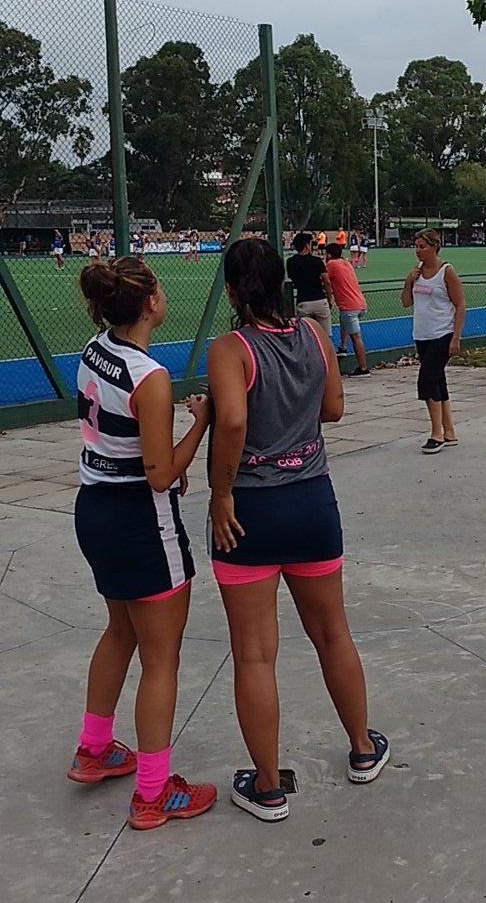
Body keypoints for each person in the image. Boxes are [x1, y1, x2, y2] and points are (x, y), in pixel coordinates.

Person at [206, 238, 388, 823]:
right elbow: (333, 408)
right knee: (333, 634)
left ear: (233, 290)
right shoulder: (311, 336)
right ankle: (362, 748)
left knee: (255, 655)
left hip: (249, 514)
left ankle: (267, 785)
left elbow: (232, 418)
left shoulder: (230, 348)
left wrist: (221, 491)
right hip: (312, 501)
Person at [70, 257, 216, 830]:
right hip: (141, 521)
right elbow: (159, 475)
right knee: (162, 659)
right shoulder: (149, 377)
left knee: (120, 630)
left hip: (95, 509)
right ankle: (153, 792)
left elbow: (128, 445)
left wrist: (158, 455)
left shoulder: (93, 351)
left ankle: (94, 746)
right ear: (150, 302)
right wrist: (199, 423)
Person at [400, 229, 465, 453]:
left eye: (422, 246)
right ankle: (449, 430)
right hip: (422, 334)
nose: (418, 251)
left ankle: (436, 432)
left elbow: (459, 304)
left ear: (434, 246)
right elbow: (406, 302)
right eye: (416, 246)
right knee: (438, 381)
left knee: (427, 380)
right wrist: (409, 281)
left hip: (443, 332)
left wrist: (455, 336)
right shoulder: (417, 272)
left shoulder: (446, 271)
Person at [325, 242, 369, 375]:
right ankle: (342, 346)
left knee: (356, 337)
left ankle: (363, 368)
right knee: (342, 318)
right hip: (360, 303)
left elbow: (324, 279)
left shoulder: (331, 264)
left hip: (349, 307)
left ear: (329, 255)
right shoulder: (347, 264)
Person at [287, 232, 334, 342]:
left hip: (303, 301)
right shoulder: (316, 261)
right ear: (307, 245)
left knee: (306, 337)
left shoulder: (291, 262)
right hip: (319, 300)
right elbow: (326, 281)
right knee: (325, 337)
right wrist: (329, 298)